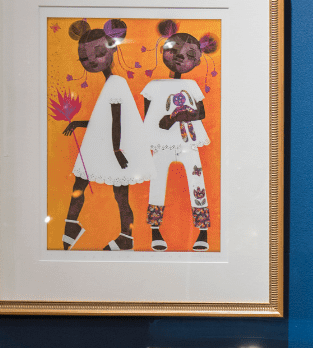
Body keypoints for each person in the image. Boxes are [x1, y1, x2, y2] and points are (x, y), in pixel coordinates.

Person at [61, 19, 154, 250]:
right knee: (106, 190)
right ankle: (121, 236)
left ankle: (120, 236)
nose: (91, 61)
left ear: (112, 50)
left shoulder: (115, 82)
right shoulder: (112, 82)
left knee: (112, 192)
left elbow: (117, 118)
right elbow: (107, 119)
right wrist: (79, 123)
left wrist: (116, 150)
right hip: (109, 144)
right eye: (84, 58)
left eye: (99, 53)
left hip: (115, 147)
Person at [141, 20, 218, 252]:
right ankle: (155, 230)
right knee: (157, 183)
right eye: (173, 51)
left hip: (188, 142)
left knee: (197, 183)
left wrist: (176, 117)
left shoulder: (192, 85)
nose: (179, 57)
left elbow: (201, 113)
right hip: (162, 144)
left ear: (197, 61)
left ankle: (202, 231)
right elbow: (148, 118)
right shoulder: (154, 85)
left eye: (189, 55)